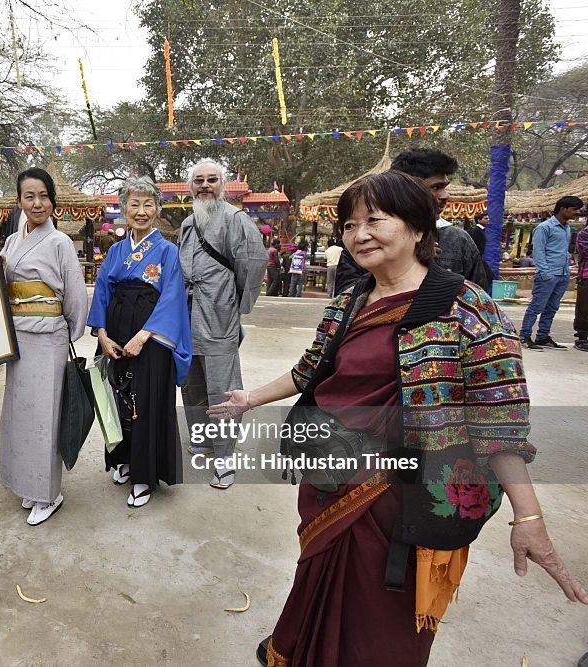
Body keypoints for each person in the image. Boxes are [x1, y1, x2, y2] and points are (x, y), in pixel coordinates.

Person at [208, 171, 587, 666]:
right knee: (317, 576)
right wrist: (250, 398)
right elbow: (310, 371)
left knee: (382, 619)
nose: (357, 234)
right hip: (332, 482)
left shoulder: (468, 308)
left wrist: (529, 517)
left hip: (405, 500)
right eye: (348, 224)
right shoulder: (347, 302)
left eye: (374, 220)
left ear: (417, 227)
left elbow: (501, 422)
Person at [88, 176, 192, 507]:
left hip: (151, 336)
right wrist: (102, 334)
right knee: (117, 401)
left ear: (158, 210)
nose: (142, 211)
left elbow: (173, 296)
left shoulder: (166, 251)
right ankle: (124, 459)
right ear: (123, 209)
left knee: (144, 404)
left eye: (149, 204)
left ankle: (144, 476)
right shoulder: (117, 250)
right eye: (134, 204)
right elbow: (102, 290)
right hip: (115, 334)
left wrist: (144, 335)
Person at [0, 167, 88, 525]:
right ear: (19, 201)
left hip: (48, 337)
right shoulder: (11, 241)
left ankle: (48, 494)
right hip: (18, 336)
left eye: (43, 196)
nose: (37, 203)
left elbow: (76, 297)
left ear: (53, 201)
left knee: (45, 417)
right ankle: (27, 484)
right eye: (29, 196)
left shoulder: (60, 242)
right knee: (21, 414)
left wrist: (68, 332)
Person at [178, 158, 267, 488]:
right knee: (192, 384)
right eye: (198, 180)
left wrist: (234, 302)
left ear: (223, 185)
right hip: (187, 317)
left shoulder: (235, 219)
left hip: (218, 314)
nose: (204, 186)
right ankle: (202, 439)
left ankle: (225, 457)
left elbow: (253, 263)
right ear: (190, 187)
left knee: (223, 388)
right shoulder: (188, 224)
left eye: (211, 180)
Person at [334, 149, 491, 294]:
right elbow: (347, 297)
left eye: (374, 220)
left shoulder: (458, 240)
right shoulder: (362, 244)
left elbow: (479, 292)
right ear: (405, 191)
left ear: (418, 232)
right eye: (435, 187)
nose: (444, 196)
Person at [519, 196, 582, 350]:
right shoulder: (544, 227)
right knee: (536, 306)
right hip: (548, 275)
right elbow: (538, 252)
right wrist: (546, 273)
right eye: (574, 209)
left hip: (562, 274)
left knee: (552, 307)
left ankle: (542, 337)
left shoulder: (566, 227)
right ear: (563, 209)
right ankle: (524, 336)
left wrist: (566, 270)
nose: (577, 212)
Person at [574, 222, 588, 352]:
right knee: (584, 308)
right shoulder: (584, 234)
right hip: (586, 276)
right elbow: (585, 252)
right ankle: (582, 337)